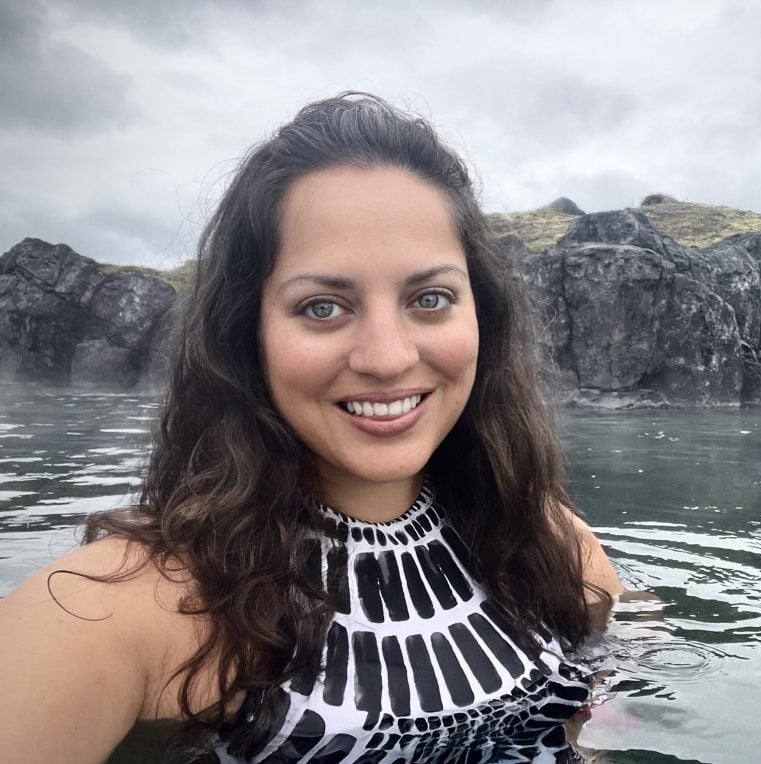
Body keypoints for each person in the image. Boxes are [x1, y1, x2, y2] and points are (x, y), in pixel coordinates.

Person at [0, 93, 623, 763]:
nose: (386, 357)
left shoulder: (545, 542)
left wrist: (610, 721)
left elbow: (624, 649)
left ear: (483, 319)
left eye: (430, 298)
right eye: (322, 306)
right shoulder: (122, 611)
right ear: (249, 333)